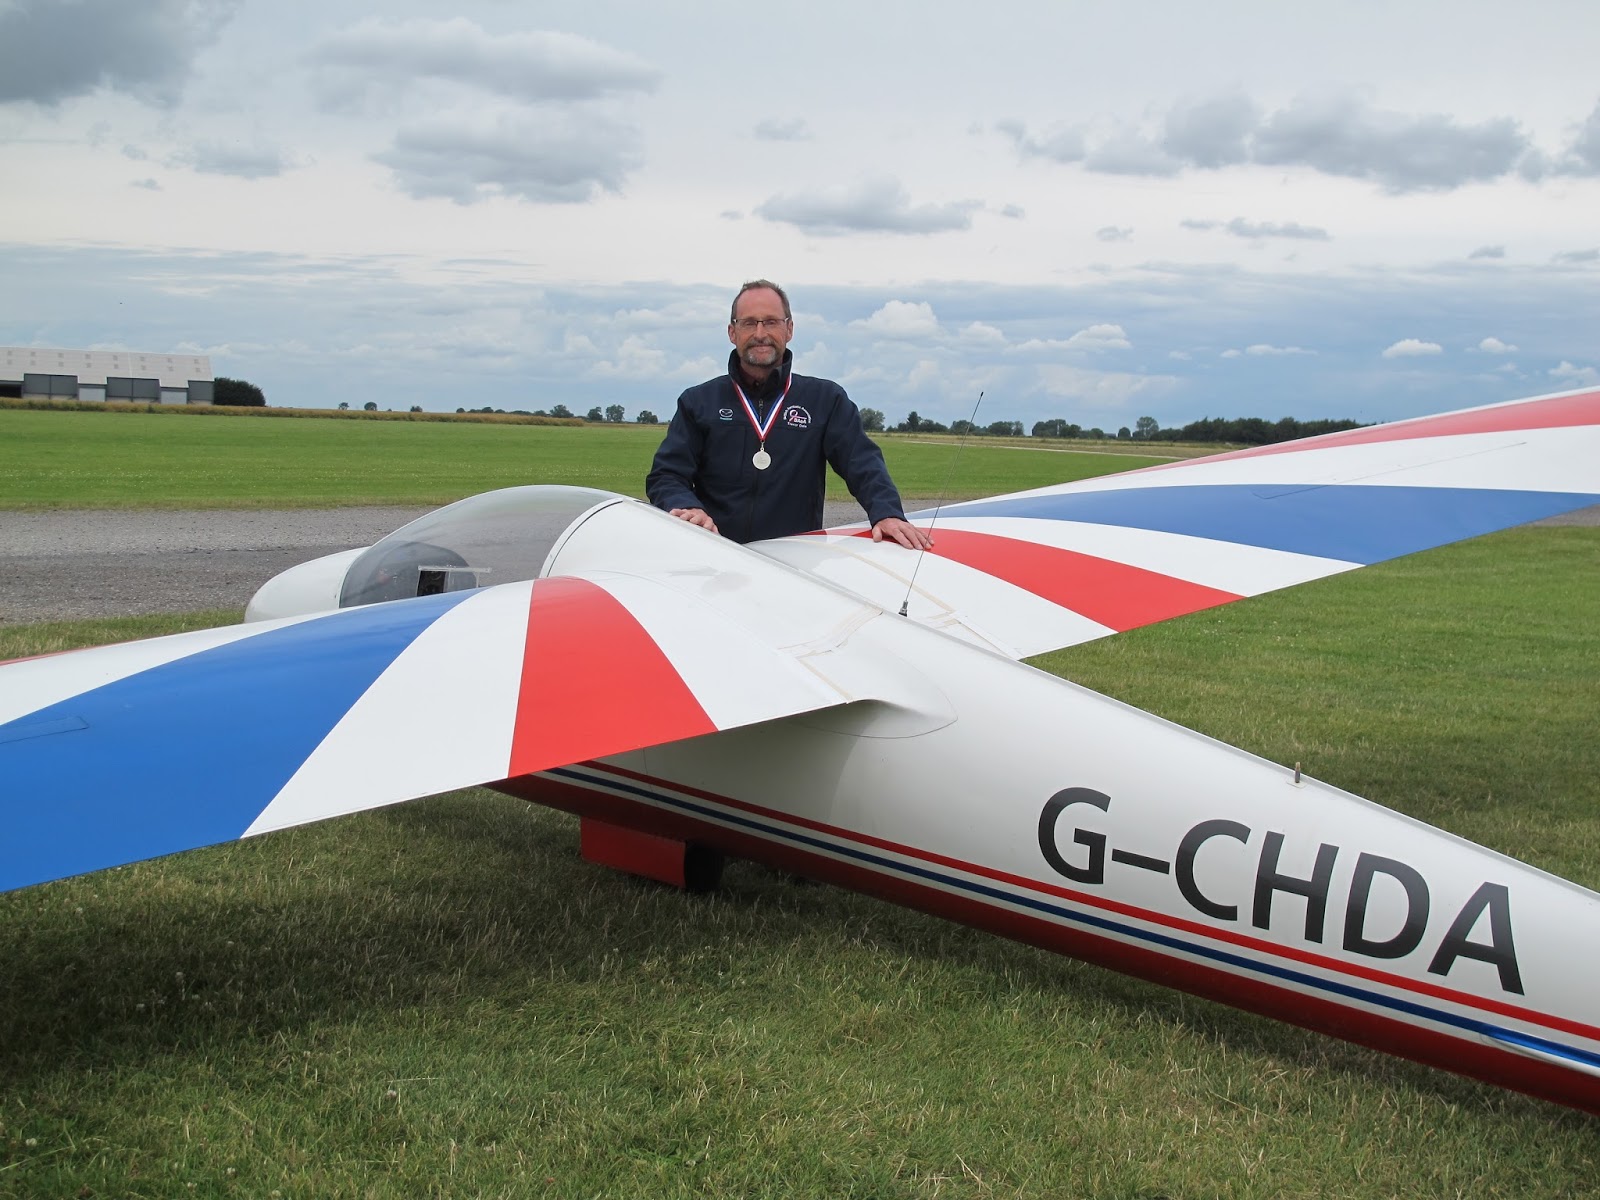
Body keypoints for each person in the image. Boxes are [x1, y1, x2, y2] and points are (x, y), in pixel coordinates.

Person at [646, 280, 934, 548]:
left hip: (794, 562)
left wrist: (886, 512)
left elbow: (862, 463)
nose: (760, 334)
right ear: (732, 332)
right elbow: (666, 475)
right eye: (749, 323)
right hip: (716, 556)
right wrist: (686, 506)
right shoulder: (698, 402)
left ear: (789, 329)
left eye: (771, 322)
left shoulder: (826, 400)